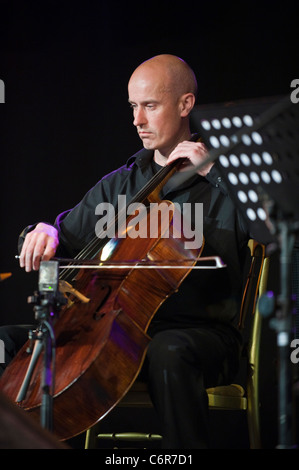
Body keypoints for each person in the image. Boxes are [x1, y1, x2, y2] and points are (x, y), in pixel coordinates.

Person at [1, 54, 250, 448]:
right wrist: (40, 232)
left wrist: (217, 175)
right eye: (134, 107)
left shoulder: (228, 180)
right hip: (113, 333)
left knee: (168, 351)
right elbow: (60, 235)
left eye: (150, 106)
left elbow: (275, 232)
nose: (137, 120)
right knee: (6, 344)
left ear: (185, 104)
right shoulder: (121, 185)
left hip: (199, 336)